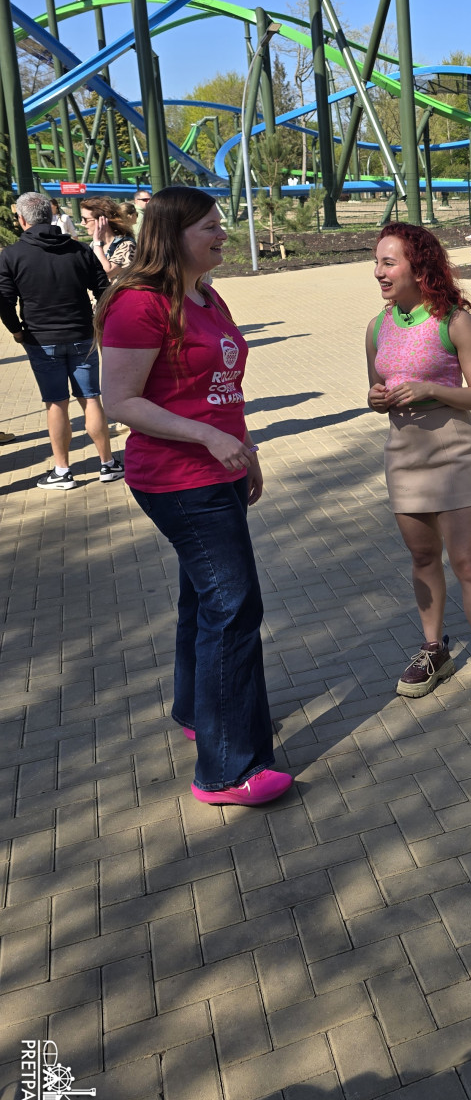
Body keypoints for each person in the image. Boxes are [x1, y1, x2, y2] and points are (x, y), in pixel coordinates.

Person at [96, 185, 291, 807]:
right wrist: (208, 437)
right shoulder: (139, 303)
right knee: (234, 606)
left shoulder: (206, 293)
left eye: (221, 223)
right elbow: (120, 401)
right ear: (173, 234)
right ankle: (229, 769)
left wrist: (245, 448)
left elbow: (222, 387)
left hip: (221, 467)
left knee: (204, 599)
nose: (222, 233)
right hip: (179, 478)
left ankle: (200, 712)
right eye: (210, 225)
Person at [365, 221, 471, 723]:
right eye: (377, 262)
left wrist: (431, 389)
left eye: (389, 262)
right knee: (423, 557)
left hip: (453, 453)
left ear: (418, 267)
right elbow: (376, 388)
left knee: (470, 565)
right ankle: (435, 649)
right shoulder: (377, 326)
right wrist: (376, 398)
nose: (379, 271)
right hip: (403, 454)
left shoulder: (455, 322)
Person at [0, 191, 123, 489]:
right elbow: (103, 289)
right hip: (82, 334)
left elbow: (4, 300)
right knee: (91, 398)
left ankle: (62, 471)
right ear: (52, 215)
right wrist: (99, 322)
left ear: (22, 220)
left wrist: (16, 330)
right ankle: (108, 464)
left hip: (40, 338)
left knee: (56, 403)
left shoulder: (11, 255)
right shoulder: (79, 249)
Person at [80, 196, 137, 274]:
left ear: (101, 220)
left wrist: (97, 242)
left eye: (85, 219)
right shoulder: (93, 245)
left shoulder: (127, 245)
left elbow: (106, 272)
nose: (82, 223)